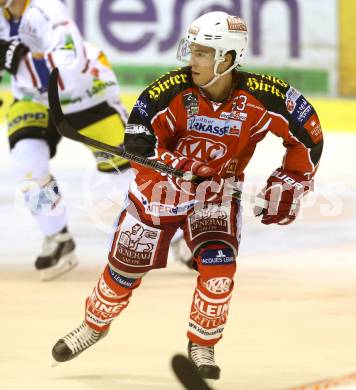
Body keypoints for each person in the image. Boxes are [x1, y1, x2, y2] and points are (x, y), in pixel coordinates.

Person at [51, 11, 323, 381]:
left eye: (202, 53)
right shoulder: (168, 91)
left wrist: (291, 182)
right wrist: (179, 165)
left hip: (215, 193)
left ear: (227, 58)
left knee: (219, 267)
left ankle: (203, 343)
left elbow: (307, 132)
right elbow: (138, 143)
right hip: (157, 191)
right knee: (124, 269)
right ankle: (95, 326)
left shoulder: (264, 95)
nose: (190, 60)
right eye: (191, 49)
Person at [0, 0, 131, 280]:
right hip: (32, 98)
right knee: (27, 161)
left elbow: (66, 73)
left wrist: (17, 61)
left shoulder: (48, 9)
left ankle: (178, 236)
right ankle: (57, 238)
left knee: (127, 174)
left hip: (87, 95)